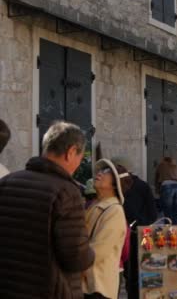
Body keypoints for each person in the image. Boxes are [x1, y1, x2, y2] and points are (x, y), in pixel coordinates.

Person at [0, 121, 95, 298]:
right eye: (80, 159)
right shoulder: (66, 192)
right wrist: (90, 254)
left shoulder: (6, 182)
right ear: (71, 152)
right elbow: (75, 256)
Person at [112, 157, 158, 299]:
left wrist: (135, 225)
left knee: (133, 273)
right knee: (134, 273)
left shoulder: (139, 187)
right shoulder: (140, 186)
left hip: (131, 235)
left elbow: (152, 215)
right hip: (131, 235)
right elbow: (152, 214)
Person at [82, 159, 129, 299]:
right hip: (86, 284)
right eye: (100, 171)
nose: (100, 174)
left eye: (106, 172)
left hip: (98, 286)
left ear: (115, 184)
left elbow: (98, 251)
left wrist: (72, 264)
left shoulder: (114, 211)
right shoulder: (96, 205)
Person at [155, 157, 177, 225]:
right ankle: (176, 232)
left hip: (167, 186)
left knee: (167, 213)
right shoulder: (176, 166)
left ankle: (168, 232)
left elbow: (156, 178)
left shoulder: (161, 165)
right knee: (175, 213)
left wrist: (157, 190)